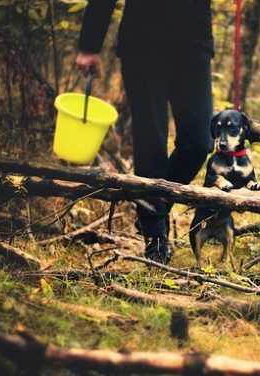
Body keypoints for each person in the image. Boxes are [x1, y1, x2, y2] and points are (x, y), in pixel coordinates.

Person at [75, 0, 214, 264]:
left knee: (199, 143)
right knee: (152, 140)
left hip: (194, 42)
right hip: (144, 43)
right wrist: (89, 45)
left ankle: (153, 207)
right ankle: (155, 237)